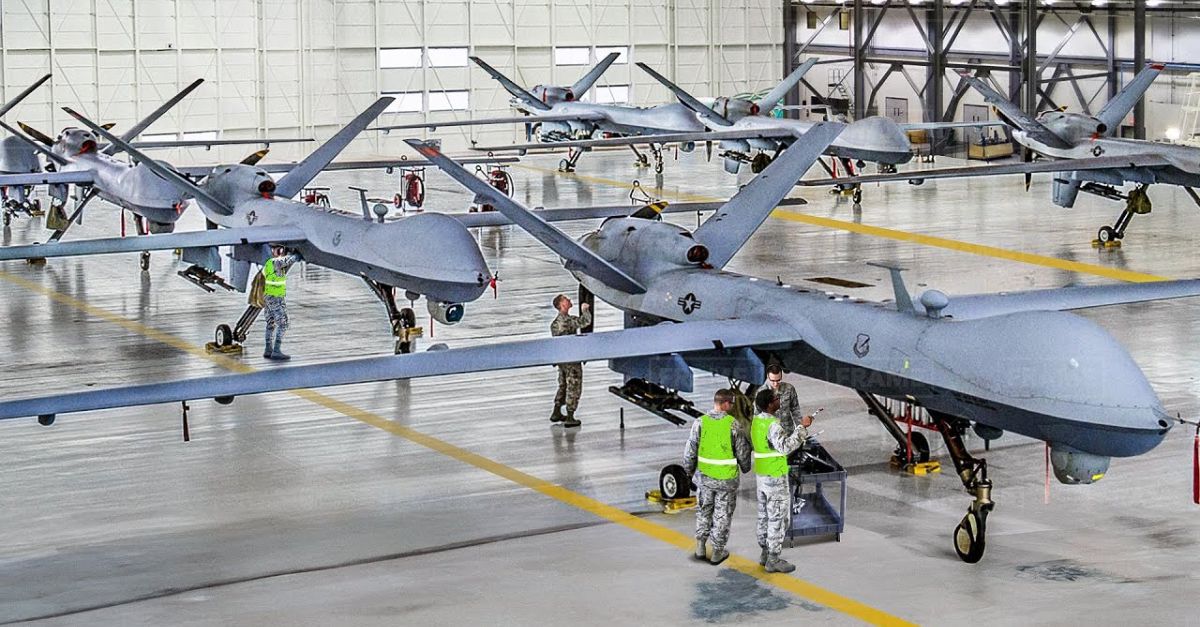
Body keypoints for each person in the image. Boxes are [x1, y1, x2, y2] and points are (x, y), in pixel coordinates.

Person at [682, 388, 752, 565]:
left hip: (704, 479)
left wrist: (689, 471)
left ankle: (700, 547)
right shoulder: (733, 424)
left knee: (704, 512)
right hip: (726, 481)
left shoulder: (700, 422)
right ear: (726, 404)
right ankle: (717, 552)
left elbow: (690, 451)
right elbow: (743, 452)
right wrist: (745, 467)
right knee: (722, 515)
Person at [751, 388, 813, 573]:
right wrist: (802, 428)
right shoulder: (773, 425)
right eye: (777, 398)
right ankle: (773, 559)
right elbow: (785, 447)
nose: (779, 400)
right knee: (778, 518)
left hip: (762, 476)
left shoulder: (756, 422)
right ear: (770, 404)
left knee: (764, 516)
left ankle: (764, 552)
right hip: (775, 478)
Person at [550, 294, 591, 427]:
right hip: (571, 359)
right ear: (561, 305)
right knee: (573, 385)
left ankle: (556, 411)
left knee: (563, 385)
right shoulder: (567, 321)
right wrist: (585, 310)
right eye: (566, 300)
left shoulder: (555, 323)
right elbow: (585, 322)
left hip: (561, 358)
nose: (569, 301)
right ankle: (570, 416)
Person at [262, 244, 302, 361]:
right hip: (276, 297)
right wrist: (297, 254)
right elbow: (292, 259)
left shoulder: (268, 263)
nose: (280, 252)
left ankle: (268, 349)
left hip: (269, 295)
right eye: (278, 250)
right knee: (283, 324)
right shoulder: (275, 263)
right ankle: (276, 350)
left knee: (270, 323)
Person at [765, 364, 801, 433]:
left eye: (778, 380)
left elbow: (795, 410)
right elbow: (757, 416)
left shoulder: (789, 389)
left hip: (788, 432)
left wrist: (800, 428)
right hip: (771, 434)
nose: (775, 384)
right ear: (767, 377)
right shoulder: (761, 392)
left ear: (781, 377)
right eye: (772, 380)